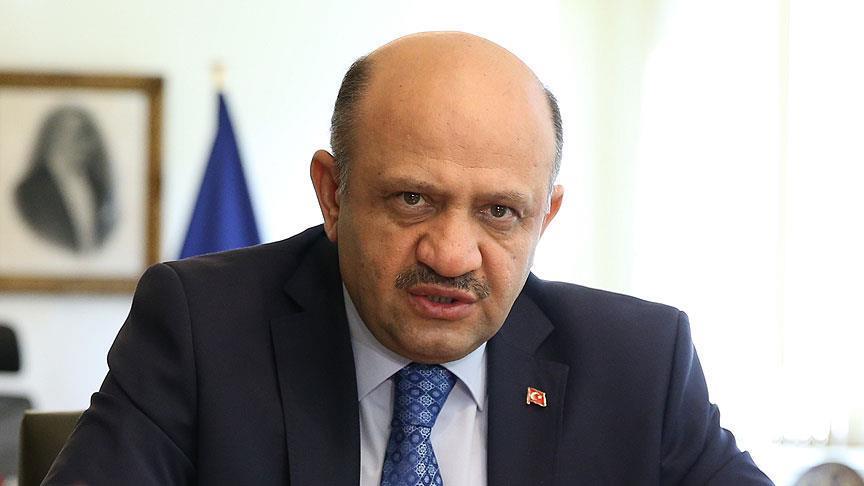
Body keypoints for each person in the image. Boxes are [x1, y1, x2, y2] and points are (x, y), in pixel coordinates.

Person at [45, 32, 773, 485]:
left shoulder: (640, 363)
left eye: (500, 212)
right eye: (413, 200)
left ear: (544, 218)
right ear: (333, 194)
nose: (452, 256)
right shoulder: (203, 329)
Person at [15, 106, 117, 253]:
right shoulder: (29, 191)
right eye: (79, 135)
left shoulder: (97, 186)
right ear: (54, 139)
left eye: (88, 136)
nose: (88, 145)